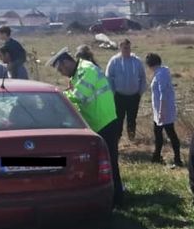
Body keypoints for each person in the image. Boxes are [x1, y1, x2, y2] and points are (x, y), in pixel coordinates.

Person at [49, 48, 123, 205]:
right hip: (96, 124)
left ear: (66, 62)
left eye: (61, 69)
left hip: (106, 122)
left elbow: (79, 96)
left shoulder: (86, 70)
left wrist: (58, 96)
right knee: (101, 163)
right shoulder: (77, 74)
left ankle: (117, 198)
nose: (61, 73)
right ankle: (106, 194)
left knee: (110, 162)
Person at [106, 38, 147, 142]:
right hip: (119, 96)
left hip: (134, 96)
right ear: (120, 48)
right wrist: (113, 92)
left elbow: (143, 77)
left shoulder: (137, 61)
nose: (127, 50)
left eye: (128, 48)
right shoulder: (114, 61)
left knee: (132, 119)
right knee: (119, 119)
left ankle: (131, 138)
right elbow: (108, 77)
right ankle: (117, 139)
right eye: (125, 48)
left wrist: (140, 92)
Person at [145, 52, 181, 167]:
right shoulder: (160, 73)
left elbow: (163, 94)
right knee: (158, 133)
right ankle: (156, 156)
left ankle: (177, 159)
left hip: (164, 111)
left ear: (150, 65)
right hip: (159, 111)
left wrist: (161, 111)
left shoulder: (161, 74)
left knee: (171, 134)